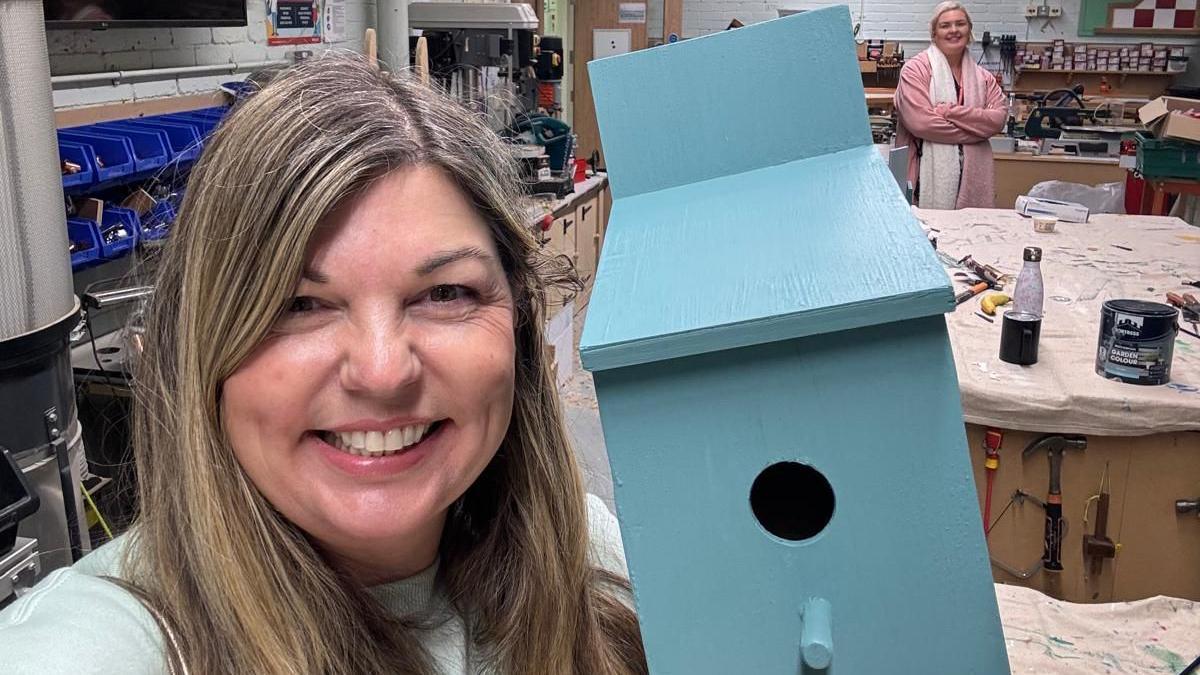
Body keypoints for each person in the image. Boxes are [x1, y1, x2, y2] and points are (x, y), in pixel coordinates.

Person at [0, 53, 646, 674]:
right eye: (299, 303)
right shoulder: (104, 642)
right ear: (198, 352)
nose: (383, 369)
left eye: (446, 293)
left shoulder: (590, 551)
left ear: (519, 329)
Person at [894, 1, 1007, 209]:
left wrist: (949, 112)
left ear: (969, 30)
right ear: (934, 33)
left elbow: (998, 119)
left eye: (960, 24)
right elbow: (921, 124)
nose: (954, 30)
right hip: (921, 181)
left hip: (971, 179)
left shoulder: (984, 78)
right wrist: (977, 133)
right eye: (945, 25)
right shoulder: (915, 70)